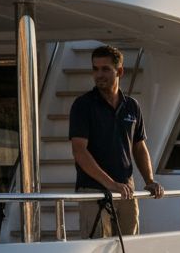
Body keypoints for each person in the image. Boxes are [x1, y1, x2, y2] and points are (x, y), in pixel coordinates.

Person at [69, 45, 164, 238]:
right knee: (95, 251)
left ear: (119, 71)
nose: (99, 74)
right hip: (93, 191)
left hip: (126, 190)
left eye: (105, 69)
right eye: (95, 69)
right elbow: (79, 151)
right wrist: (110, 183)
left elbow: (138, 146)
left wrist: (149, 180)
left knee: (129, 251)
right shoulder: (83, 105)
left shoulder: (132, 106)